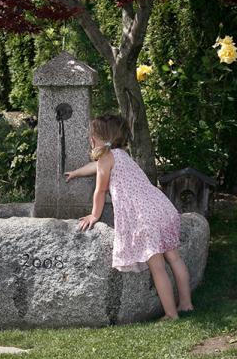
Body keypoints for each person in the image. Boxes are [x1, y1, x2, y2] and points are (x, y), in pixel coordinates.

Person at [64, 114, 193, 320]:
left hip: (144, 217)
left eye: (91, 135)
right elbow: (97, 167)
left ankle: (171, 314)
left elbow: (100, 190)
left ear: (97, 138)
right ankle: (186, 304)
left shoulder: (107, 158)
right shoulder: (121, 155)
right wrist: (77, 173)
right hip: (161, 208)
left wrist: (95, 215)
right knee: (174, 258)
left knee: (157, 266)